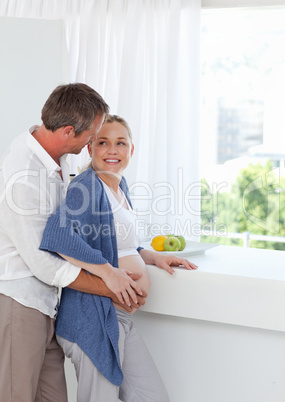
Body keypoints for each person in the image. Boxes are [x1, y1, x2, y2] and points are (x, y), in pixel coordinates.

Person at [0, 84, 145, 402]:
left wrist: (144, 255)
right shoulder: (23, 177)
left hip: (50, 304)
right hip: (22, 302)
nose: (94, 141)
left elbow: (88, 231)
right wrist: (111, 281)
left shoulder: (58, 158)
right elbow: (43, 260)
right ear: (68, 131)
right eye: (93, 135)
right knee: (16, 394)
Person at [40, 114, 198, 401]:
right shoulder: (86, 187)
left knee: (152, 396)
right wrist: (108, 273)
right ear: (90, 148)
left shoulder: (118, 186)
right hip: (93, 318)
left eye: (120, 143)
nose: (112, 150)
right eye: (103, 142)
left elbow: (116, 244)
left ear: (131, 150)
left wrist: (151, 257)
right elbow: (57, 236)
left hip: (119, 317)